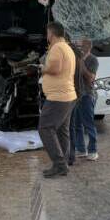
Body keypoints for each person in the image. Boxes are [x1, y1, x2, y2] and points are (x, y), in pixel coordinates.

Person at [38, 22, 77, 178]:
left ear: (51, 33)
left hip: (58, 97)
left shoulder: (56, 48)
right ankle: (63, 163)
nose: (47, 36)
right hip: (69, 96)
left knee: (45, 128)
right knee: (62, 131)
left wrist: (42, 68)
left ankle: (60, 165)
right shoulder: (67, 48)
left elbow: (55, 69)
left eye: (47, 33)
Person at [70, 38, 100, 162]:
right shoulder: (75, 58)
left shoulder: (93, 60)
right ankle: (81, 149)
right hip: (75, 95)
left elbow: (90, 79)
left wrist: (81, 63)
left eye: (82, 45)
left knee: (89, 124)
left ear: (89, 47)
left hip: (87, 95)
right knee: (76, 124)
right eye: (79, 45)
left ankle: (93, 150)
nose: (80, 47)